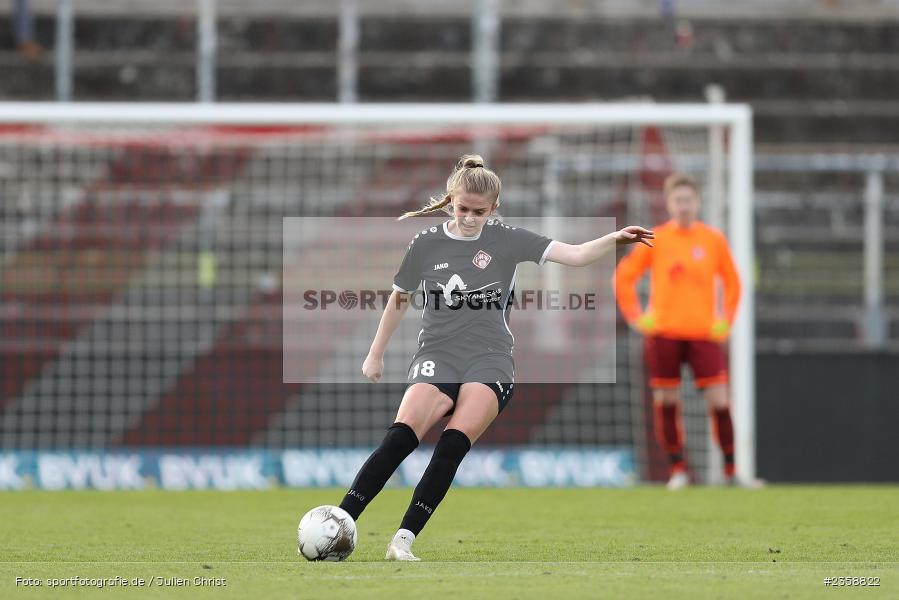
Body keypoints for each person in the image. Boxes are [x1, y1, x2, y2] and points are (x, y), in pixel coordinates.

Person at [336, 154, 654, 561]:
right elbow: (399, 299)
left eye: (479, 212)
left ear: (494, 209)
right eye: (462, 209)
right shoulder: (426, 242)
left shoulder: (507, 239)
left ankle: (403, 540)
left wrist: (614, 239)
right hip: (437, 353)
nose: (469, 218)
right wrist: (374, 354)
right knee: (400, 437)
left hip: (490, 359)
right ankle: (338, 522)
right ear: (451, 201)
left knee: (451, 445)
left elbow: (574, 255)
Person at [614, 173, 741, 490]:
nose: (683, 205)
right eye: (678, 200)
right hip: (664, 334)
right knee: (667, 401)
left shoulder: (713, 240)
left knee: (720, 401)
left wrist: (726, 319)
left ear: (697, 202)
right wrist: (636, 316)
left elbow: (733, 281)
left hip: (703, 334)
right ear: (669, 204)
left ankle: (731, 471)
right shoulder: (656, 238)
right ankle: (678, 470)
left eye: (688, 200)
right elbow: (624, 276)